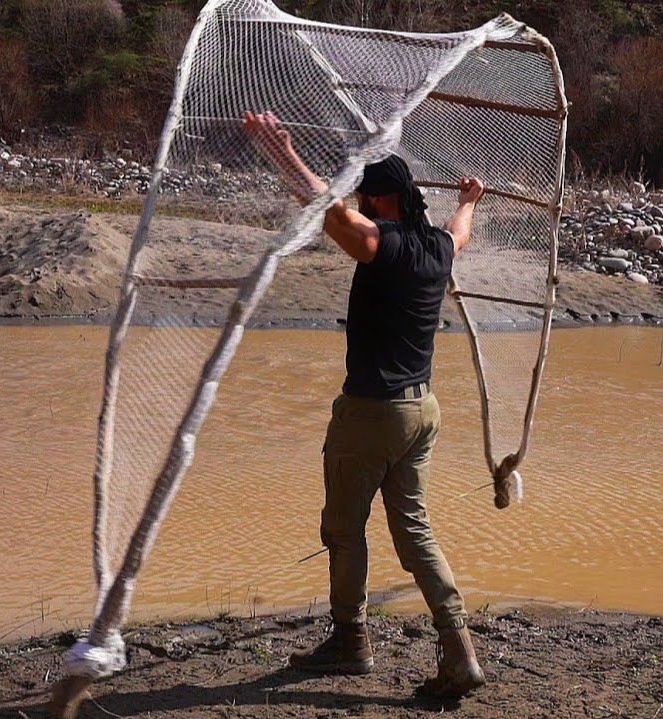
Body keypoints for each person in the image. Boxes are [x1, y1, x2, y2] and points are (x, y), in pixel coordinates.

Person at [242, 111, 486, 698]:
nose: (361, 205)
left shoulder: (384, 245)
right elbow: (461, 231)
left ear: (380, 200)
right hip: (421, 413)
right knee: (415, 532)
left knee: (344, 531)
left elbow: (330, 214)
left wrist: (283, 151)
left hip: (372, 413)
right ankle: (459, 650)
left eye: (365, 198)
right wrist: (469, 200)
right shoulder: (437, 247)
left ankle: (351, 641)